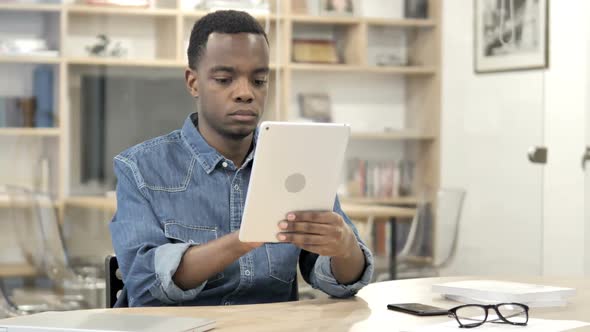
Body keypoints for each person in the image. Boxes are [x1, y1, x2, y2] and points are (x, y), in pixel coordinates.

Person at [109, 10, 374, 307]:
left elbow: (342, 282)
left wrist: (345, 247)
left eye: (259, 81)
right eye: (225, 79)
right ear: (193, 82)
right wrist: (242, 240)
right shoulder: (140, 168)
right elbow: (144, 283)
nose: (245, 93)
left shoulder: (298, 161)